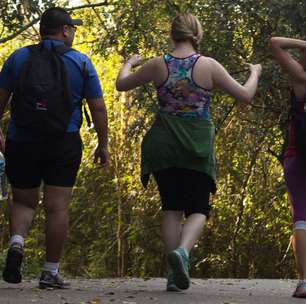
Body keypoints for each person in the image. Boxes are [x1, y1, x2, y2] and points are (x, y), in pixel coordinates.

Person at [116, 13, 261, 291]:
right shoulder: (208, 66)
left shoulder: (158, 65)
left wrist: (129, 64)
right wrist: (254, 72)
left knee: (171, 206)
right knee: (198, 207)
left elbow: (121, 84)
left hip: (164, 144)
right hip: (196, 145)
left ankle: (173, 276)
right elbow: (245, 95)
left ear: (172, 34)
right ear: (198, 34)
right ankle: (183, 252)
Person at [0, 7, 109, 289]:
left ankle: (16, 243)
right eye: (72, 28)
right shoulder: (81, 63)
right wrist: (103, 144)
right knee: (57, 207)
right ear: (64, 30)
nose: (73, 32)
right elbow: (97, 107)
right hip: (63, 141)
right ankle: (49, 272)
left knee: (24, 200)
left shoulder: (18, 58)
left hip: (21, 140)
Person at [269, 37, 306, 298]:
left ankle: (305, 281)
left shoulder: (301, 78)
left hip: (297, 155)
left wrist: (304, 43)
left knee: (302, 217)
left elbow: (274, 43)